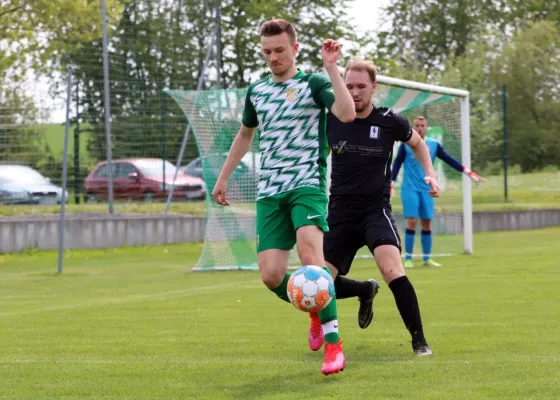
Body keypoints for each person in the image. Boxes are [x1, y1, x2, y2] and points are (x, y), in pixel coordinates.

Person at [212, 19, 356, 375]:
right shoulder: (257, 91)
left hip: (306, 183)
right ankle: (312, 306)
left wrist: (332, 67)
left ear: (294, 48)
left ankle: (334, 347)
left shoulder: (313, 82)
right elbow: (245, 135)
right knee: (271, 276)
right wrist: (224, 176)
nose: (273, 57)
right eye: (267, 52)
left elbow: (347, 112)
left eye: (279, 50)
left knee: (311, 259)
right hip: (270, 192)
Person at [323, 58, 439, 356]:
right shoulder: (332, 119)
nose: (355, 92)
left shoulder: (390, 120)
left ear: (374, 87)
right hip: (340, 213)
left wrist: (430, 173)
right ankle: (363, 289)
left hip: (375, 211)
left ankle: (419, 340)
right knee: (320, 285)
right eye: (349, 86)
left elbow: (419, 145)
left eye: (361, 86)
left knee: (392, 269)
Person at [391, 116, 484, 268]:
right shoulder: (405, 145)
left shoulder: (433, 145)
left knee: (427, 222)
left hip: (427, 188)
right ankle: (408, 258)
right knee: (412, 220)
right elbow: (396, 164)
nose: (420, 128)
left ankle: (427, 258)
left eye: (422, 125)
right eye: (417, 125)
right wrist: (391, 183)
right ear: (413, 127)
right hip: (409, 188)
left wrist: (468, 172)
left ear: (426, 127)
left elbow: (449, 159)